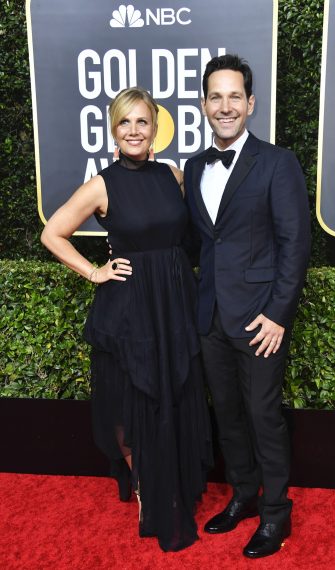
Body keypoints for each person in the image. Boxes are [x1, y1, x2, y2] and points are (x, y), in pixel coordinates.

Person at [41, 86, 212, 552]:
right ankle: (144, 484)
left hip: (174, 301)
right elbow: (52, 232)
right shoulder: (102, 184)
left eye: (142, 122)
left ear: (155, 129)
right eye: (125, 123)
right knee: (134, 395)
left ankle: (174, 477)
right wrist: (94, 270)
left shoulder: (174, 176)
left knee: (175, 387)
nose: (134, 130)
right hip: (131, 305)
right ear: (113, 130)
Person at [183, 54, 311, 559]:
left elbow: (294, 244)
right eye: (216, 96)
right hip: (210, 317)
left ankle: (277, 514)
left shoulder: (277, 162)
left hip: (260, 318)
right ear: (203, 105)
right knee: (229, 416)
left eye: (235, 95)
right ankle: (243, 497)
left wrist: (279, 313)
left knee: (262, 416)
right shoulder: (194, 168)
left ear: (251, 103)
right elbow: (197, 243)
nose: (226, 105)